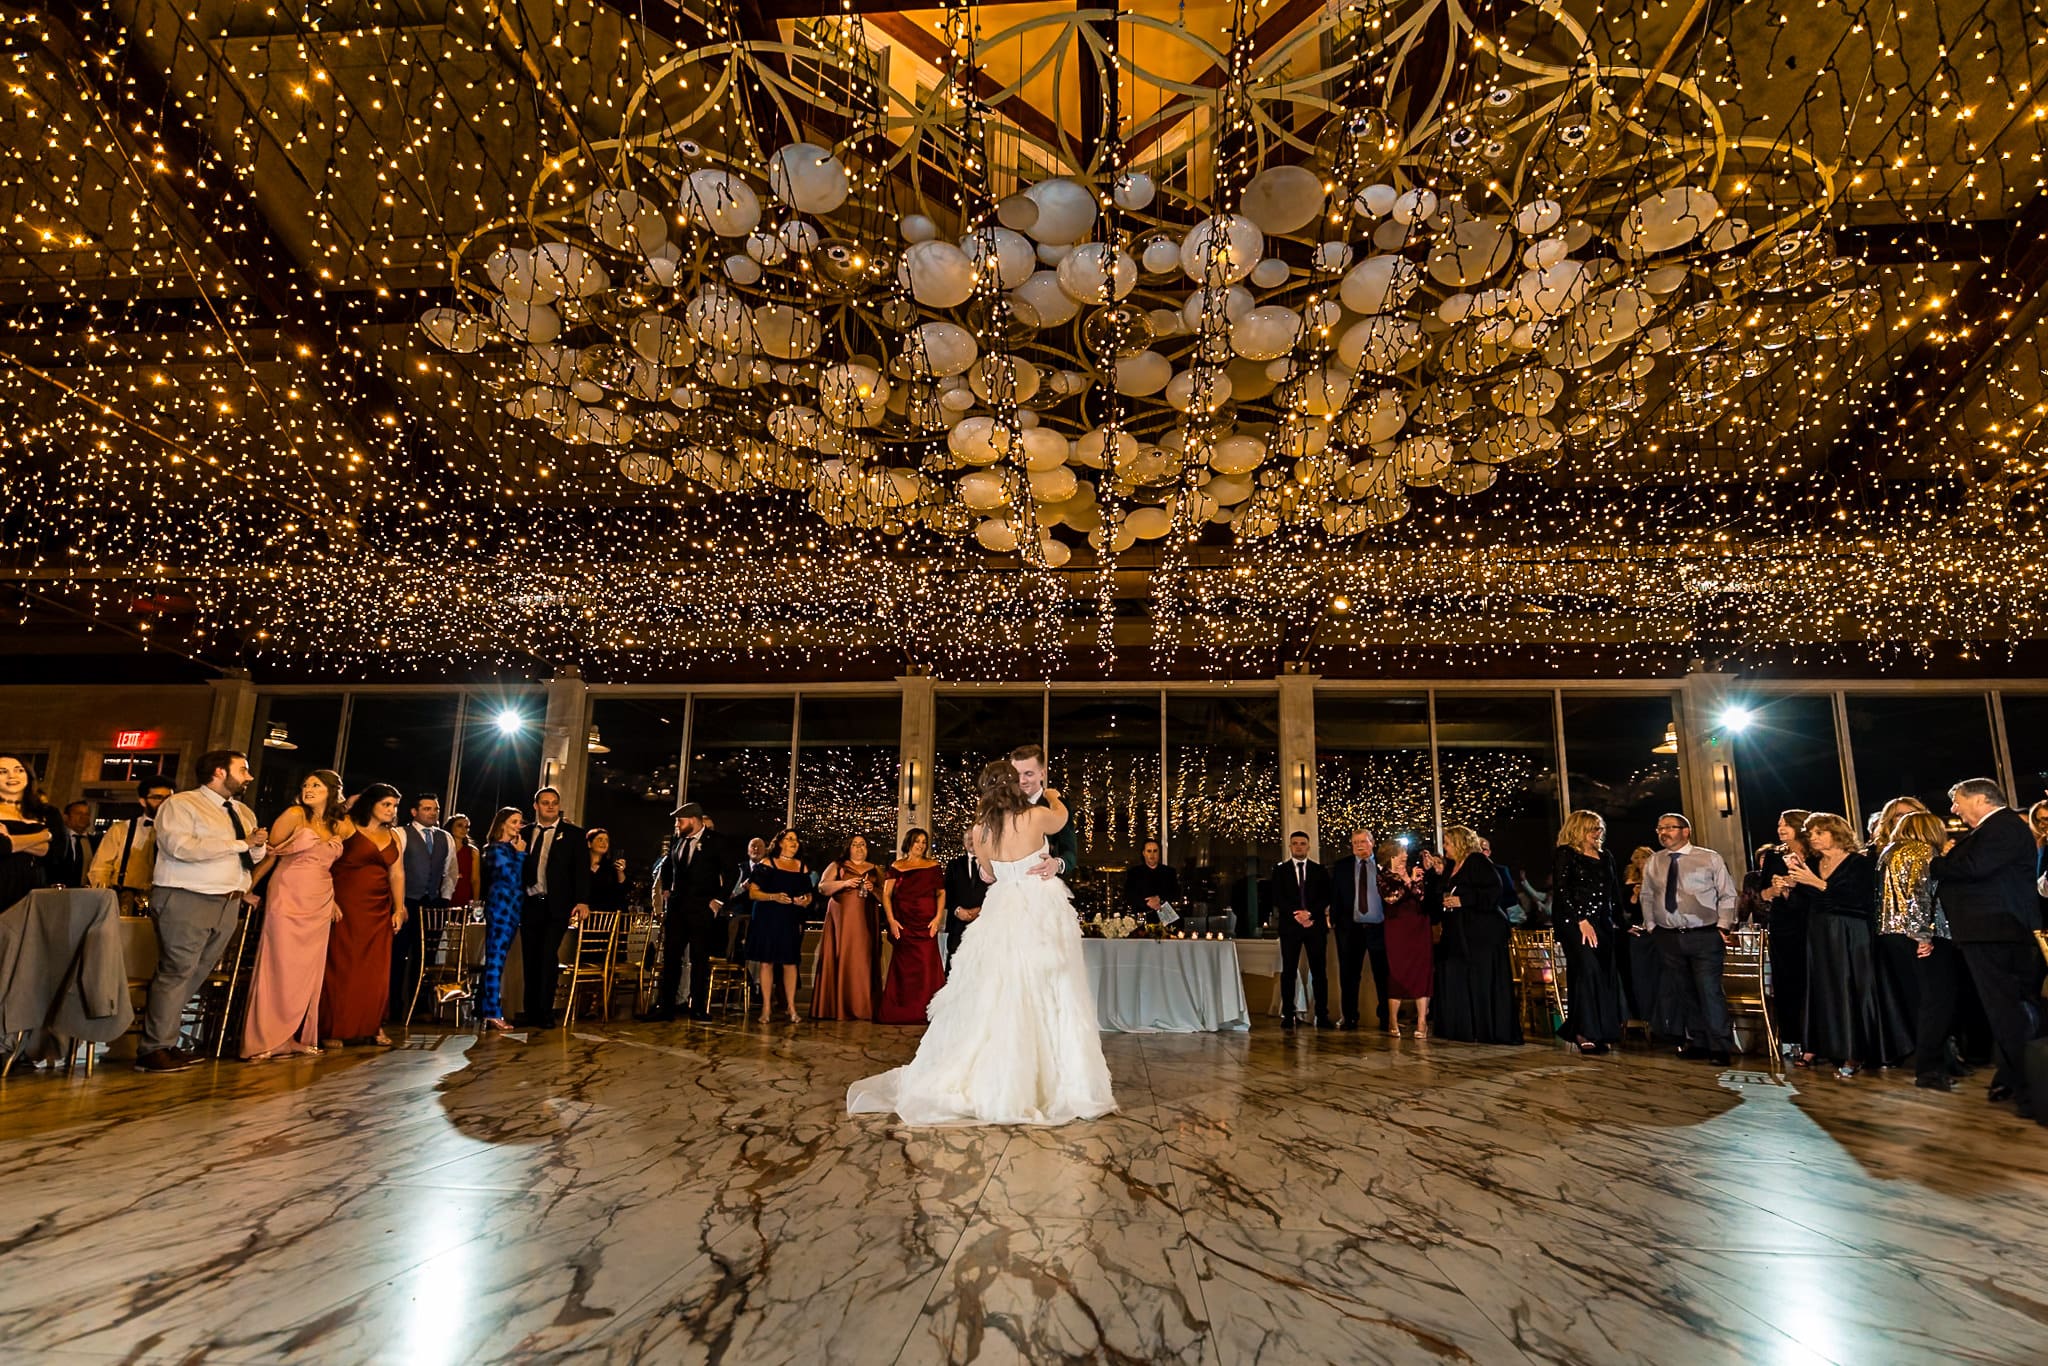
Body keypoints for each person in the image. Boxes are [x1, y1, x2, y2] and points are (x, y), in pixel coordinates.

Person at [848, 761, 1114, 1125]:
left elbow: (987, 874)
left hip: (1002, 909)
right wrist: (1052, 795)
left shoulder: (982, 831)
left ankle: (994, 1077)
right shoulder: (1037, 816)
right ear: (1014, 788)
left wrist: (1006, 867)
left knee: (996, 990)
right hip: (1038, 907)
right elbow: (1062, 817)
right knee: (1049, 987)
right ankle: (1050, 1081)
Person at [136, 750, 268, 1073]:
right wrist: (240, 843)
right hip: (187, 896)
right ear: (220, 772)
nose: (249, 777)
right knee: (177, 970)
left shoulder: (243, 811)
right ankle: (152, 1049)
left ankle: (166, 1041)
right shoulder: (182, 804)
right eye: (243, 770)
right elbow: (179, 848)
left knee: (196, 973)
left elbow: (251, 856)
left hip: (228, 900)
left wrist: (259, 846)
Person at [1932, 778, 2045, 1119]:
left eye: (1958, 802)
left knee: (2008, 1010)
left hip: (1996, 931)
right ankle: (2014, 1078)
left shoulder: (2002, 827)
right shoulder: (1999, 829)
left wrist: (1936, 863)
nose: (1954, 810)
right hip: (1995, 931)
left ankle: (2029, 1089)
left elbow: (1972, 868)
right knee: (2009, 1010)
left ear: (1981, 799)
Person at [241, 769, 348, 1060]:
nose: (308, 789)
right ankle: (264, 1038)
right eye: (305, 784)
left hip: (320, 898)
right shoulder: (293, 815)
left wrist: (334, 901)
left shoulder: (335, 824)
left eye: (316, 785)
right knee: (280, 965)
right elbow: (270, 855)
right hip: (288, 894)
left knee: (306, 972)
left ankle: (289, 1037)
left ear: (331, 791)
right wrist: (245, 888)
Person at [1790, 812, 1906, 1078]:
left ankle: (1857, 1050)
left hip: (1852, 932)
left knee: (1852, 986)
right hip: (1819, 932)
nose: (1814, 838)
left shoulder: (1859, 863)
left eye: (1820, 832)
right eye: (1811, 834)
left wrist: (1817, 884)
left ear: (1836, 833)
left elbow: (1858, 901)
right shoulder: (1811, 862)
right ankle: (1825, 1045)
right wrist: (1788, 888)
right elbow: (1804, 903)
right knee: (1824, 987)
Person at [1636, 812, 1737, 1065]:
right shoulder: (1655, 861)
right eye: (1659, 828)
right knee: (1684, 990)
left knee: (1709, 990)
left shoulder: (1708, 857)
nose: (1663, 832)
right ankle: (1698, 1041)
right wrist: (1651, 926)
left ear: (1686, 831)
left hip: (1704, 934)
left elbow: (1728, 894)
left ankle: (1720, 1046)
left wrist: (1723, 926)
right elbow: (1647, 895)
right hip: (1668, 936)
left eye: (1669, 827)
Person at [1881, 809, 1966, 1090]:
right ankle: (1930, 1069)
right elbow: (1916, 896)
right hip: (1921, 937)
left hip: (1893, 935)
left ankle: (1940, 1062)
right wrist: (1923, 936)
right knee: (1937, 1003)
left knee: (1922, 1002)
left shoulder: (1889, 852)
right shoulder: (1919, 851)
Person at [322, 784, 405, 1047]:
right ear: (371, 804)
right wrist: (329, 898)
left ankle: (374, 1025)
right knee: (342, 966)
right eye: (386, 805)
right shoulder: (347, 826)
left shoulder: (395, 837)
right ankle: (335, 1027)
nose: (392, 811)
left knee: (376, 970)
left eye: (394, 806)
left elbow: (397, 874)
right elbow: (324, 863)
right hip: (347, 906)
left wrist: (399, 908)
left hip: (379, 908)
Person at [1434, 825, 1521, 1044]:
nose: (1445, 847)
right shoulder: (1451, 866)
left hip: (1482, 933)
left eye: (1448, 843)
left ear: (1460, 843)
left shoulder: (1477, 861)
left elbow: (1494, 891)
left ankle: (1487, 1028)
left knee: (1482, 979)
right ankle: (1464, 1027)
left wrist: (1464, 900)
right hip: (1459, 932)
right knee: (1461, 977)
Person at [644, 803, 729, 1021]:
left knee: (699, 958)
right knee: (671, 957)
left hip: (702, 908)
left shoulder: (716, 841)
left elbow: (730, 872)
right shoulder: (677, 840)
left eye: (680, 821)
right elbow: (668, 867)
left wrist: (718, 900)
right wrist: (666, 889)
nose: (677, 825)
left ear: (693, 819)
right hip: (677, 908)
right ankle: (667, 1007)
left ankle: (698, 1007)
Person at [1553, 810, 1627, 1055]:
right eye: (1593, 828)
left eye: (1600, 828)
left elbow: (1613, 894)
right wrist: (1580, 920)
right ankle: (1584, 1030)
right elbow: (1562, 891)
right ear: (1579, 829)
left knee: (1604, 973)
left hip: (1602, 922)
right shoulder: (1566, 854)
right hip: (1574, 922)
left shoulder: (1605, 856)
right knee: (1587, 970)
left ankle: (1601, 1030)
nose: (1598, 833)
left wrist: (1622, 923)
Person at [519, 786, 590, 1028]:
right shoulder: (524, 833)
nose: (550, 806)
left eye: (554, 802)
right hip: (529, 903)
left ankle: (545, 1012)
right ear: (536, 806)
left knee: (547, 955)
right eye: (545, 802)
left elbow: (581, 870)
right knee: (530, 957)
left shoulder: (573, 834)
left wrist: (582, 900)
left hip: (556, 905)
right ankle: (529, 1011)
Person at [1754, 809, 1814, 1059]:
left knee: (1813, 981)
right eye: (1779, 824)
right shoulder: (1773, 856)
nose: (1781, 829)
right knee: (1785, 982)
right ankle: (1791, 1039)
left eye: (1787, 824)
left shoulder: (1817, 854)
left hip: (1811, 923)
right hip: (1783, 926)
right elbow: (1762, 895)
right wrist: (1776, 889)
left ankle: (1816, 1039)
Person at [1266, 831, 1333, 1031]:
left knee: (1319, 972)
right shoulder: (1280, 871)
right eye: (1294, 843)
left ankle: (1322, 1015)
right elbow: (1277, 897)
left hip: (1315, 926)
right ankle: (1288, 1014)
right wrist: (1296, 914)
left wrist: (1309, 914)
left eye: (1302, 843)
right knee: (1289, 972)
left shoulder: (1319, 870)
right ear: (1290, 846)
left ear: (1308, 846)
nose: (1298, 847)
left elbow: (1326, 896)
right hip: (1290, 927)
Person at [393, 793, 451, 1024]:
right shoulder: (401, 833)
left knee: (425, 957)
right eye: (427, 808)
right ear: (414, 812)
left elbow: (450, 873)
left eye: (435, 809)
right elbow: (395, 871)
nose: (432, 812)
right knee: (398, 956)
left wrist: (443, 900)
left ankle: (420, 1007)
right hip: (406, 901)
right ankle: (395, 1007)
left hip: (432, 904)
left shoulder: (444, 838)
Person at [878, 828, 946, 1024]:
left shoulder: (933, 866)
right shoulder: (897, 866)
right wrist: (891, 921)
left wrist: (937, 918)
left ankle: (928, 1012)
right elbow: (886, 895)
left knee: (926, 967)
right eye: (917, 841)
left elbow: (941, 893)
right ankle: (900, 1012)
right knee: (903, 970)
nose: (921, 845)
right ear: (909, 842)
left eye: (924, 842)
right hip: (904, 924)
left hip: (926, 926)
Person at [811, 835, 881, 1021]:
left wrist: (872, 887)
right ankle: (837, 1006)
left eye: (863, 845)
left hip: (865, 921)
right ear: (848, 848)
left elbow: (886, 896)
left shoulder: (875, 869)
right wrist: (844, 883)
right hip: (841, 920)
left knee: (862, 959)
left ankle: (862, 1007)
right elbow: (822, 887)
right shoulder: (838, 865)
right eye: (855, 844)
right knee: (841, 955)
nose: (859, 848)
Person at [747, 829, 812, 1024]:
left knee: (790, 962)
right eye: (790, 839)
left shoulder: (802, 868)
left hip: (790, 918)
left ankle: (791, 1007)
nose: (794, 842)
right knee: (767, 962)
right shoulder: (767, 864)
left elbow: (809, 895)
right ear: (780, 843)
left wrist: (804, 901)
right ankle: (766, 1007)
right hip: (768, 917)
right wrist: (773, 896)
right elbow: (753, 893)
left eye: (796, 840)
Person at [88, 776, 178, 913]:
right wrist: (104, 899)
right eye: (157, 798)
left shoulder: (181, 832)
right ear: (143, 801)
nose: (164, 803)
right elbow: (100, 868)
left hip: (168, 899)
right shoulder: (121, 829)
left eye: (169, 798)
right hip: (126, 899)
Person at [1329, 828, 1389, 1031]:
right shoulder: (1342, 866)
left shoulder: (1384, 866)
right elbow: (1335, 895)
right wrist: (1334, 920)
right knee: (1349, 975)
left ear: (1372, 842)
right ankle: (1350, 1017)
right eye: (1355, 842)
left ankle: (1386, 1018)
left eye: (1363, 841)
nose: (1359, 845)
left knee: (1382, 974)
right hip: (1350, 929)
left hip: (1379, 928)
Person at [1376, 839, 1434, 1037]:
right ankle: (1393, 1021)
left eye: (1405, 852)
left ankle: (1421, 1022)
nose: (1405, 856)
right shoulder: (1383, 876)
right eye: (1401, 853)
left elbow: (1421, 896)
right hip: (1396, 927)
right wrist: (1403, 880)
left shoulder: (1414, 871)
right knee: (1397, 971)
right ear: (1391, 856)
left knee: (1421, 970)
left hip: (1418, 925)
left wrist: (1410, 880)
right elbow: (1391, 898)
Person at [476, 806, 526, 1032]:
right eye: (514, 822)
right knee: (495, 960)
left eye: (519, 822)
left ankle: (489, 1009)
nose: (518, 826)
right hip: (500, 907)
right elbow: (511, 876)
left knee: (500, 960)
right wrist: (521, 854)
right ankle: (491, 1012)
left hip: (513, 907)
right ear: (503, 823)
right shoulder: (495, 849)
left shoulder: (509, 848)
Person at [1010, 745, 1078, 882]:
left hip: (1044, 886)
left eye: (1028, 774)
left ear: (1042, 774)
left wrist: (1056, 864)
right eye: (1017, 774)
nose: (1022, 781)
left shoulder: (1058, 805)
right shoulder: (1004, 806)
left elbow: (1070, 853)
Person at [0, 753, 57, 913]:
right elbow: (2, 846)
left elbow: (52, 852)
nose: (12, 776)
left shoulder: (45, 812)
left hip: (34, 889)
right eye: (3, 771)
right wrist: (44, 836)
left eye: (19, 770)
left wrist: (12, 840)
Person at [942, 826, 987, 957]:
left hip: (983, 923)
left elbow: (996, 891)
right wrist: (957, 910)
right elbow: (946, 893)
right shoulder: (953, 865)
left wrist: (980, 910)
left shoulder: (990, 864)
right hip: (957, 926)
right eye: (968, 839)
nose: (972, 842)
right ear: (964, 842)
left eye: (975, 838)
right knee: (954, 969)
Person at [1123, 838, 1181, 924]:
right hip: (1141, 916)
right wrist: (1147, 902)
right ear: (1143, 853)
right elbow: (1128, 895)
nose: (1152, 854)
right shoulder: (1134, 872)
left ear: (1159, 853)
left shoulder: (1169, 872)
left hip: (1166, 917)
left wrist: (1159, 899)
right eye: (1149, 851)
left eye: (1155, 851)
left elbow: (1175, 893)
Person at [47, 801, 95, 886]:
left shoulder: (94, 842)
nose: (83, 817)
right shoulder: (55, 839)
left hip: (85, 894)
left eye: (87, 814)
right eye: (78, 813)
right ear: (66, 817)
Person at [585, 829, 629, 913]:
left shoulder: (610, 868)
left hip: (606, 918)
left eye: (606, 840)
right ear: (589, 843)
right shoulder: (580, 867)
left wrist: (620, 871)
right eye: (600, 840)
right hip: (583, 915)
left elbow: (621, 891)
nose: (604, 843)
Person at [443, 813, 477, 910]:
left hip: (463, 894)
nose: (464, 829)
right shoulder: (443, 847)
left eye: (467, 827)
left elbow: (475, 880)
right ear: (451, 826)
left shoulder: (472, 851)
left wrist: (475, 903)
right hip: (444, 892)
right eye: (459, 825)